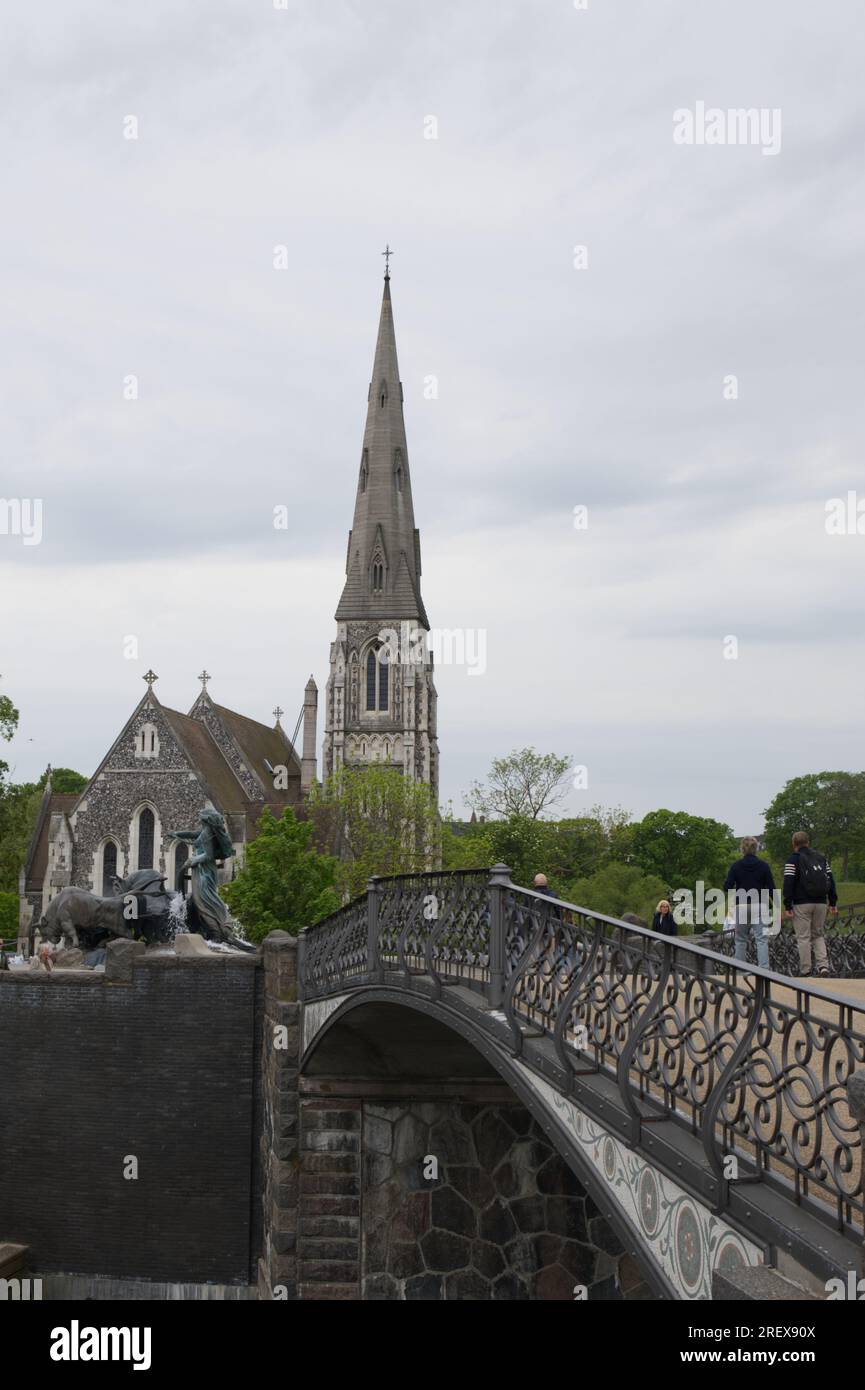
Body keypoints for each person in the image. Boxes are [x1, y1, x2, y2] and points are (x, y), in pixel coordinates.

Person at [782, 830, 837, 977]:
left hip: (802, 903)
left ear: (794, 844)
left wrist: (787, 904)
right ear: (808, 842)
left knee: (803, 937)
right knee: (818, 934)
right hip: (821, 902)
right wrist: (833, 902)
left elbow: (788, 882)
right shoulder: (821, 858)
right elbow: (831, 880)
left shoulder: (793, 859)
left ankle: (806, 970)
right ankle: (823, 966)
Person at [724, 836, 776, 970]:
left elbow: (727, 887)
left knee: (740, 940)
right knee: (761, 939)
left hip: (741, 906)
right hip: (759, 905)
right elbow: (771, 889)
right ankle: (764, 970)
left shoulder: (736, 866)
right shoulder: (764, 866)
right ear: (756, 849)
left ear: (742, 849)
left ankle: (740, 972)